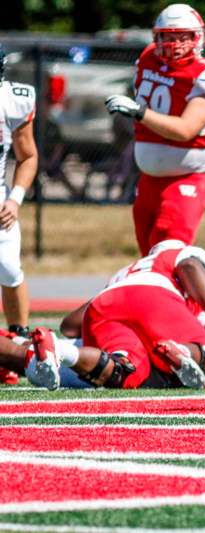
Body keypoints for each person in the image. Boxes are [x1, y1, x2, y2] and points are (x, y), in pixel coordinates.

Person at [25, 240, 205, 391]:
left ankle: (62, 351)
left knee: (125, 372)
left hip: (105, 305)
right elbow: (190, 266)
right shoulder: (176, 259)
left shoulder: (125, 275)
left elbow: (70, 325)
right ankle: (182, 350)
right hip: (154, 298)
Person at [104, 3, 205, 255]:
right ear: (157, 36)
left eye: (182, 36)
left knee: (168, 253)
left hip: (187, 176)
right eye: (168, 36)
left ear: (198, 37)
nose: (174, 43)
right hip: (149, 178)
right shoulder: (147, 58)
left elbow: (186, 129)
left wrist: (139, 113)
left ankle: (193, 296)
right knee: (147, 255)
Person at [0, 43, 37, 385]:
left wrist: (15, 198)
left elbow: (27, 155)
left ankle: (17, 337)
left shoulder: (14, 99)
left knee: (9, 268)